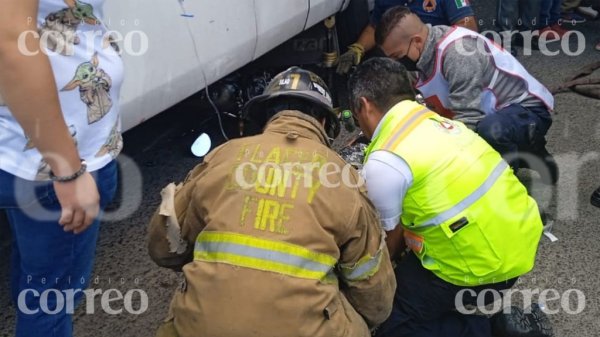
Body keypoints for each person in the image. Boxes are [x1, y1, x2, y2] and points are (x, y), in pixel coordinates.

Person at [148, 67, 396, 337]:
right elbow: (374, 295)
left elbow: (163, 245)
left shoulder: (224, 156)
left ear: (268, 115)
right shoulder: (343, 178)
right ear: (324, 123)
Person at [348, 57, 552, 337]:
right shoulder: (441, 123)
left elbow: (388, 245)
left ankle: (495, 329)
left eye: (355, 116)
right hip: (520, 240)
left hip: (484, 266)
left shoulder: (386, 158)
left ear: (363, 105)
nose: (359, 126)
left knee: (391, 323)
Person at [0, 1, 123, 336]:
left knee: (36, 278)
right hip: (55, 156)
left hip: (23, 146)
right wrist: (67, 169)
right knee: (51, 300)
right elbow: (11, 41)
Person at [375, 6, 559, 184]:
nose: (397, 63)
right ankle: (526, 154)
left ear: (416, 41)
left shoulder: (457, 54)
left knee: (489, 132)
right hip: (493, 113)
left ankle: (509, 185)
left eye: (397, 56)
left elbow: (468, 120)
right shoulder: (424, 53)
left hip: (528, 112)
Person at [336, 0, 478, 74]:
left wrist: (441, 49)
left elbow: (467, 25)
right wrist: (358, 48)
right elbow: (375, 27)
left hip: (440, 55)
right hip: (402, 55)